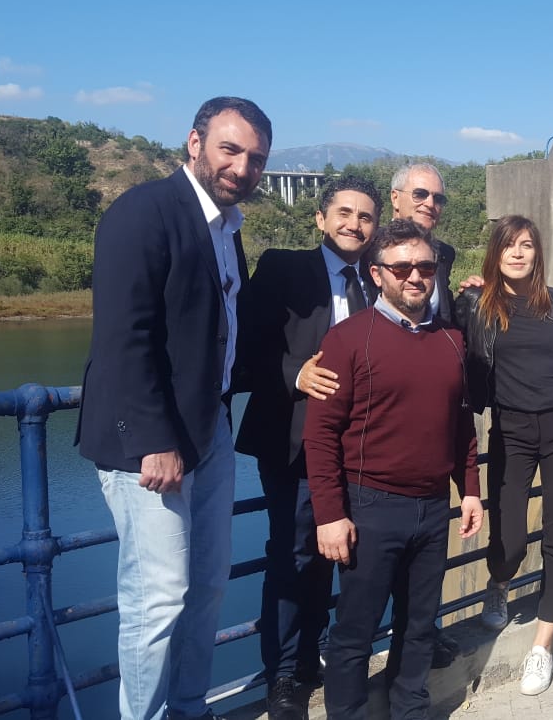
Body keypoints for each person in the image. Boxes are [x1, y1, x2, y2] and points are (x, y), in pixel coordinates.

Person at [76, 96, 271, 720]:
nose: (242, 167)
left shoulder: (226, 229)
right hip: (150, 444)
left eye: (255, 158)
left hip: (210, 428)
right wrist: (153, 440)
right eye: (230, 150)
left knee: (207, 585)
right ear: (194, 143)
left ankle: (190, 708)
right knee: (157, 598)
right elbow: (123, 337)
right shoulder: (144, 212)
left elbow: (218, 330)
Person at [304, 219, 483, 719]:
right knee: (355, 633)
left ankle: (410, 710)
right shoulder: (347, 339)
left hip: (433, 507)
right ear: (377, 274)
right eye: (401, 268)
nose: (415, 276)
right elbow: (320, 435)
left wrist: (470, 488)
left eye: (424, 266)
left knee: (420, 625)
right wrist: (329, 515)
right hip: (370, 506)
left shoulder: (451, 340)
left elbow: (460, 423)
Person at [235, 175, 381, 720]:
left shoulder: (379, 279)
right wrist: (295, 373)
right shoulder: (283, 268)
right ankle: (285, 675)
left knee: (349, 551)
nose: (354, 224)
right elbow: (242, 347)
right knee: (295, 553)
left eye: (365, 217)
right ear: (321, 219)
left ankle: (325, 656)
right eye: (344, 213)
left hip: (361, 446)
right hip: (294, 442)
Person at [455, 215, 553, 696]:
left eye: (526, 245)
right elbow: (438, 343)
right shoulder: (476, 304)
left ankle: (542, 646)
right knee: (512, 538)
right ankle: (499, 582)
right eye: (508, 245)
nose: (518, 253)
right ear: (495, 253)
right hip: (511, 430)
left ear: (538, 253)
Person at [389, 163, 455, 324]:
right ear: (395, 198)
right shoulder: (369, 249)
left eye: (438, 199)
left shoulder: (444, 253)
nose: (430, 204)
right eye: (420, 194)